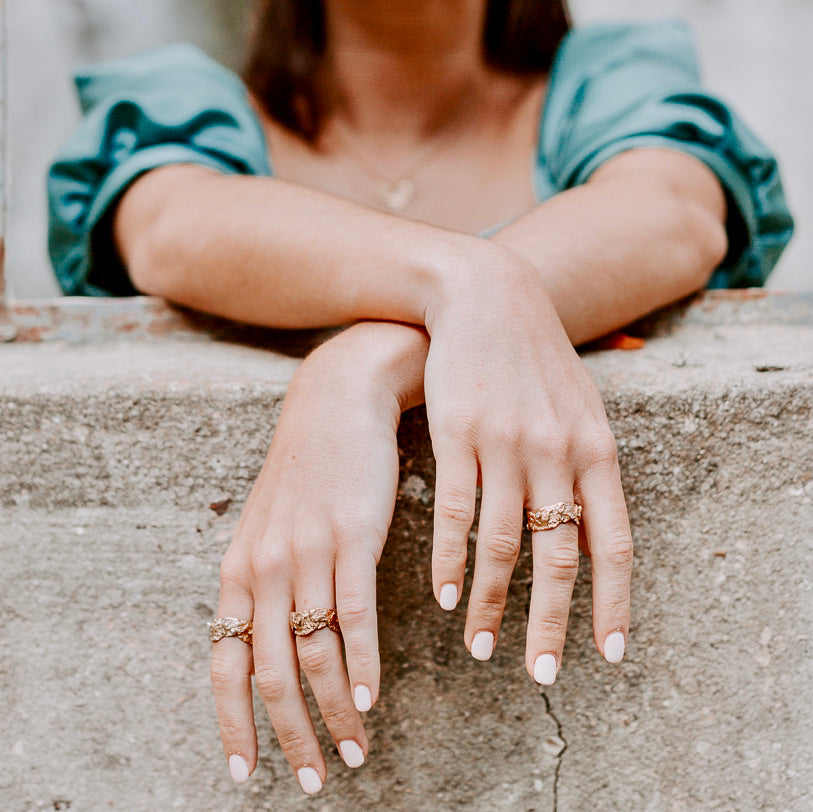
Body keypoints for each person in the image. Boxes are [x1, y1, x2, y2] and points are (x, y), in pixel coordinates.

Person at [47, 0, 793, 796]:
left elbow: (672, 212)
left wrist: (366, 364)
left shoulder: (603, 84)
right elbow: (169, 225)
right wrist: (464, 278)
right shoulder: (190, 104)